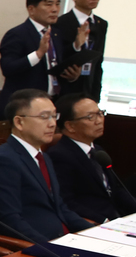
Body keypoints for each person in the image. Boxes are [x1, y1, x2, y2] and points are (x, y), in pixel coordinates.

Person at [0, 88, 93, 241]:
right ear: (19, 122)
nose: (52, 124)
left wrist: (96, 233)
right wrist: (51, 248)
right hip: (41, 245)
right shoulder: (4, 160)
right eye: (44, 117)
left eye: (54, 116)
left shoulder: (44, 157)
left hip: (66, 239)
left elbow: (60, 208)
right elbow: (10, 220)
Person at [50, 94, 135, 222]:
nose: (99, 121)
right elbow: (67, 201)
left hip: (118, 217)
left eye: (100, 113)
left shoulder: (98, 151)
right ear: (70, 126)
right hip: (95, 222)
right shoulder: (60, 156)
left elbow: (116, 189)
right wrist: (103, 220)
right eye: (90, 117)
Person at [0, 0, 84, 111]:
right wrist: (38, 54)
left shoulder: (56, 33)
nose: (55, 9)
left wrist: (76, 48)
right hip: (23, 106)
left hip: (50, 102)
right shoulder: (17, 34)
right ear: (31, 9)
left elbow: (56, 63)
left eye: (57, 4)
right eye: (49, 4)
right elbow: (8, 68)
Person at [55, 0, 107, 99]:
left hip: (89, 89)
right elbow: (57, 56)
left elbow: (98, 61)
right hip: (65, 90)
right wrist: (76, 46)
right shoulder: (60, 23)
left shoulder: (101, 24)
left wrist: (96, 96)